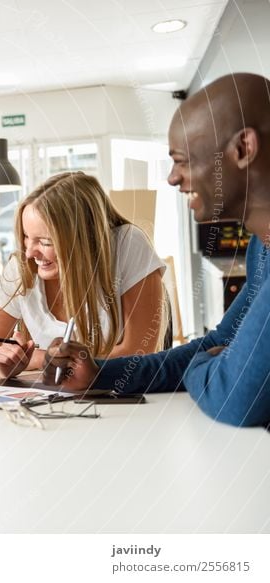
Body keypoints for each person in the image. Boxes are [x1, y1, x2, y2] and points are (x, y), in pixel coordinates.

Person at [43, 72, 270, 428]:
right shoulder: (262, 247)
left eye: (182, 160)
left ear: (243, 149)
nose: (172, 178)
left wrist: (204, 366)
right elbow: (221, 343)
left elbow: (235, 396)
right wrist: (98, 373)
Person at [0, 172, 166, 379]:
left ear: (82, 237)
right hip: (51, 401)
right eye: (27, 237)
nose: (29, 253)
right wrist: (7, 366)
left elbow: (138, 355)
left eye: (45, 242)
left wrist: (45, 361)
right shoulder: (21, 267)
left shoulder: (127, 245)